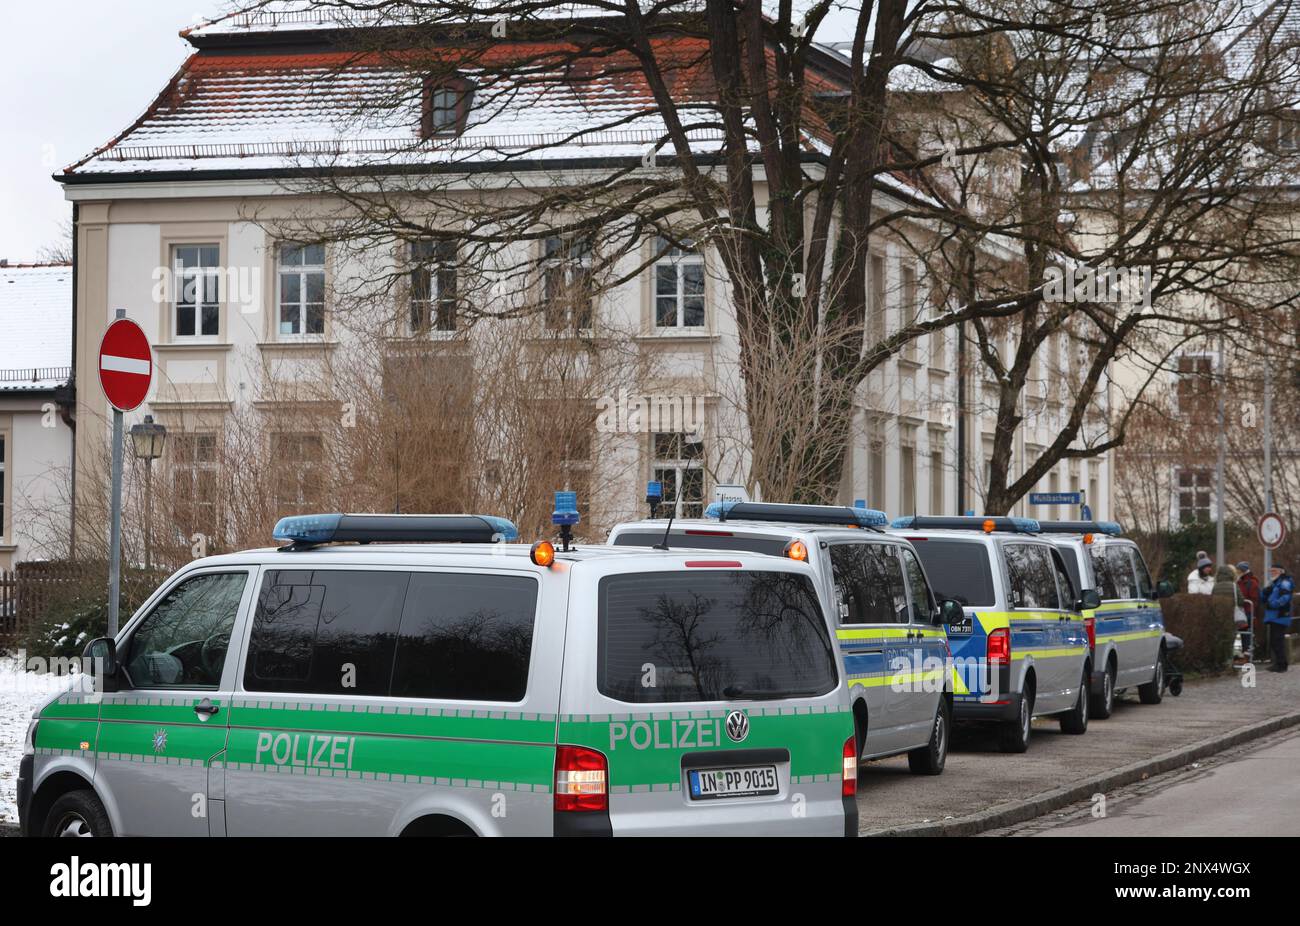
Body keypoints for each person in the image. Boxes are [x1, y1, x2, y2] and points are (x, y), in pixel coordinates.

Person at [1262, 564, 1295, 672]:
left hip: (1280, 615)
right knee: (1275, 641)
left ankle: (1281, 665)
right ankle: (1280, 663)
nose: (1272, 573)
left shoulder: (1284, 583)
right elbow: (1263, 597)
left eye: (1274, 571)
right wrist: (1264, 592)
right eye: (1271, 571)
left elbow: (1285, 597)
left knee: (1277, 641)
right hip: (1274, 616)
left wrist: (1274, 604)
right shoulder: (1275, 583)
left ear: (1281, 571)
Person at [1237, 562, 1263, 660]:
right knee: (1242, 636)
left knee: (1246, 636)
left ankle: (1247, 657)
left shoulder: (1252, 583)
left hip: (1247, 613)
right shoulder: (1240, 581)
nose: (1237, 572)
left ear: (1243, 571)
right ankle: (1242, 657)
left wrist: (1243, 603)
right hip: (1240, 612)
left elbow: (1254, 600)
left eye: (1238, 570)